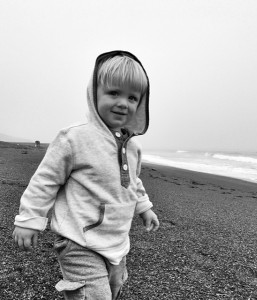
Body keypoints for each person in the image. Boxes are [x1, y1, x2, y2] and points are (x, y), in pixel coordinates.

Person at [12, 50, 159, 300]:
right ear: (95, 92)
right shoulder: (75, 137)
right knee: (93, 295)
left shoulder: (133, 147)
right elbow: (46, 180)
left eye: (132, 97)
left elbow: (133, 181)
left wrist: (144, 207)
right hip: (78, 239)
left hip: (116, 241)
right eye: (114, 93)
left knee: (114, 289)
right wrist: (29, 218)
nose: (123, 102)